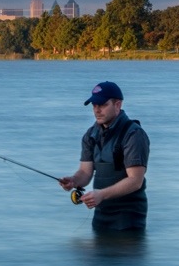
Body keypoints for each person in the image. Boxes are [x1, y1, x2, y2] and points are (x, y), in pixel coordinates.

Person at [59, 81, 149, 231]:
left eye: (102, 105)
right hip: (100, 218)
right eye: (94, 105)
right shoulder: (90, 134)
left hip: (128, 221)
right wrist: (74, 181)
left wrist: (101, 194)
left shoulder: (133, 134)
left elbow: (135, 181)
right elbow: (85, 172)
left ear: (117, 105)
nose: (97, 110)